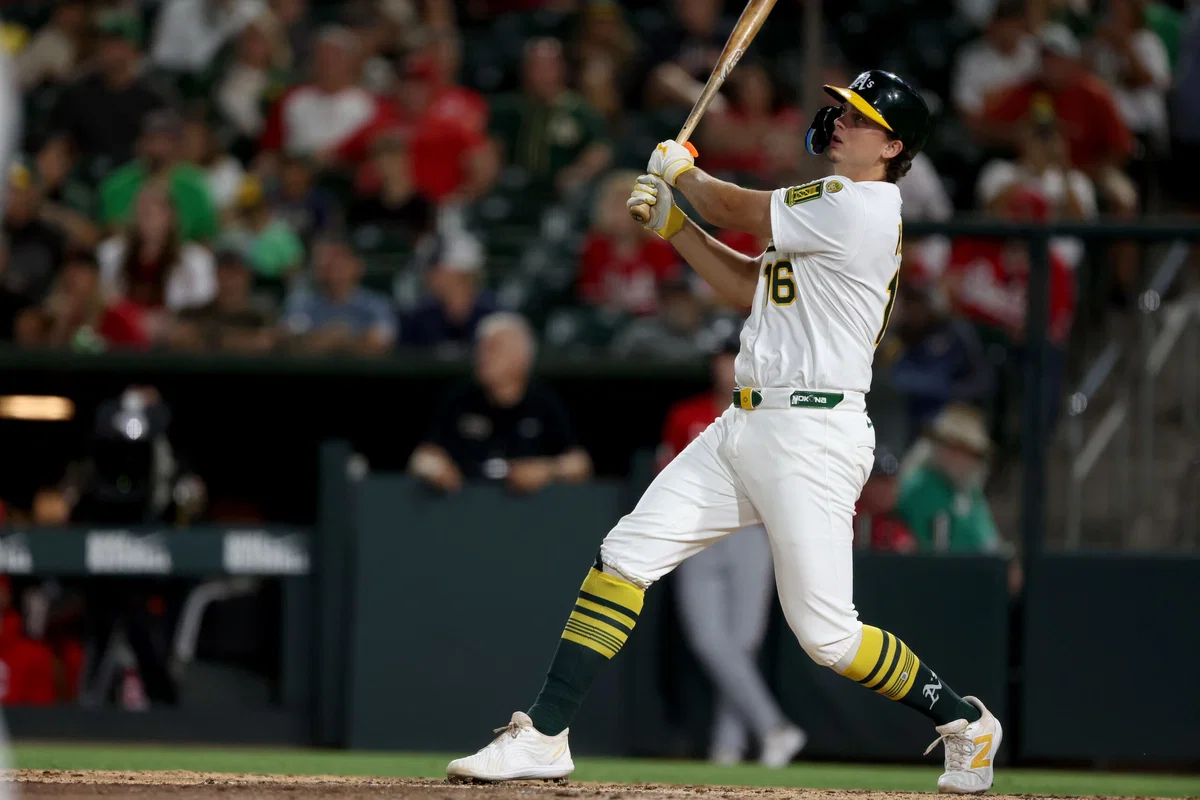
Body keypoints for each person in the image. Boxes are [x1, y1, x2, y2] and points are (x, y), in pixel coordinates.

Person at [446, 70, 1003, 794]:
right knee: (624, 555)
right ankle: (546, 734)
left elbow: (737, 206)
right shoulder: (827, 212)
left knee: (828, 636)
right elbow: (748, 284)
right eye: (842, 108)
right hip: (744, 420)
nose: (840, 120)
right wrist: (675, 226)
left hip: (813, 431)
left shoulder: (859, 204)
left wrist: (683, 173)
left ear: (892, 146)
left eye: (860, 117)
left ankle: (963, 721)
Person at [665, 339, 807, 767]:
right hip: (699, 530)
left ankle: (727, 746)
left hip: (749, 530)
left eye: (734, 356)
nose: (727, 366)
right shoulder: (684, 416)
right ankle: (773, 727)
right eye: (722, 358)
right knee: (708, 639)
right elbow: (667, 474)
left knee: (743, 642)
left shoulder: (767, 414)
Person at [408, 312, 592, 494]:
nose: (483, 356)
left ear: (522, 358)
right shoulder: (460, 398)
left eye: (493, 348)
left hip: (527, 512)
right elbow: (422, 457)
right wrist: (435, 469)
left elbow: (579, 464)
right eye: (480, 348)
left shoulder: (543, 402)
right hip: (465, 506)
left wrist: (546, 470)